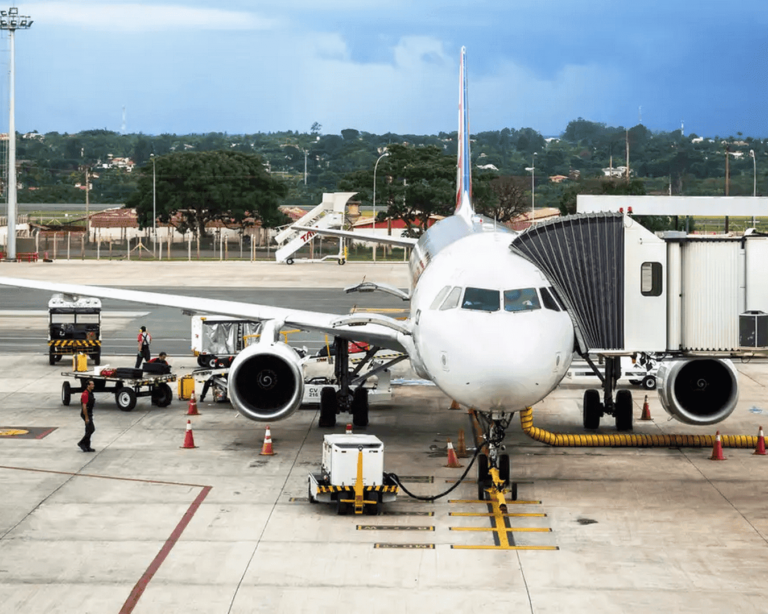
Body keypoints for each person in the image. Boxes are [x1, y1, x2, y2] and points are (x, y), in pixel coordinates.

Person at [77, 380, 96, 453]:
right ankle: (81, 443)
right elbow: (84, 406)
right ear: (88, 385)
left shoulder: (90, 393)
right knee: (91, 429)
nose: (93, 385)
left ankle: (87, 446)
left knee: (89, 430)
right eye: (92, 384)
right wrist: (86, 417)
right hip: (86, 413)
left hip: (89, 413)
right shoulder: (85, 394)